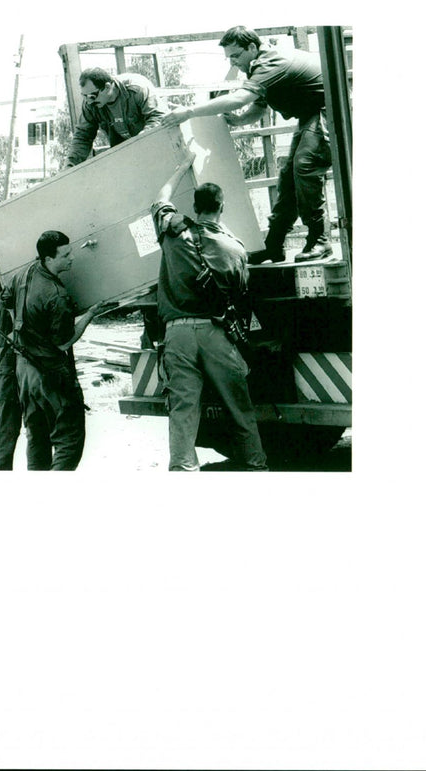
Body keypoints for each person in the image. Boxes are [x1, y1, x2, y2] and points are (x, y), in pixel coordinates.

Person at [161, 26, 333, 264]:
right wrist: (239, 120)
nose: (233, 63)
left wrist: (189, 111)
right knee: (288, 177)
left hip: (328, 112)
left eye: (236, 56)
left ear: (252, 47)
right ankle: (273, 245)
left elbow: (242, 97)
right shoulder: (260, 66)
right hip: (310, 116)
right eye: (229, 58)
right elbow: (259, 106)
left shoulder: (271, 62)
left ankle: (320, 240)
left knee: (304, 166)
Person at [151, 155, 269, 472]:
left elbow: (160, 199)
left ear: (194, 205)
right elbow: (240, 298)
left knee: (183, 410)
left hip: (176, 334)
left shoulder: (172, 233)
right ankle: (256, 466)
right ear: (222, 207)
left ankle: (183, 470)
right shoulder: (235, 248)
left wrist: (181, 166)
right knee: (239, 406)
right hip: (215, 334)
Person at [5, 231, 105, 470]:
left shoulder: (23, 274)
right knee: (69, 441)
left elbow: (5, 298)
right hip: (49, 373)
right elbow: (64, 342)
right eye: (66, 255)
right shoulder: (56, 295)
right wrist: (91, 314)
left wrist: (22, 326)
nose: (72, 258)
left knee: (37, 437)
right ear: (49, 259)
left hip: (24, 373)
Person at [65, 67, 165, 167]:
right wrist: (70, 165)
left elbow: (158, 117)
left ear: (107, 87)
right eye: (84, 96)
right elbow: (83, 136)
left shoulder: (138, 88)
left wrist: (140, 141)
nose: (89, 101)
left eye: (92, 96)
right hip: (128, 157)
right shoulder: (90, 105)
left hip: (157, 147)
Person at [0, 271, 24, 471]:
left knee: (6, 432)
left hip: (7, 370)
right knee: (7, 432)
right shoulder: (8, 299)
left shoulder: (5, 299)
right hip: (9, 369)